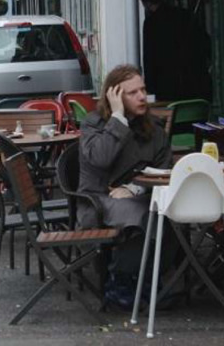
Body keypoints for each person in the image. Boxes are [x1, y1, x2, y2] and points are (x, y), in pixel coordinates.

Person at [78, 64, 171, 308]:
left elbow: (164, 167)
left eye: (143, 89)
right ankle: (121, 282)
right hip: (97, 201)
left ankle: (153, 279)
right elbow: (101, 158)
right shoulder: (93, 124)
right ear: (115, 96)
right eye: (132, 92)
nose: (142, 96)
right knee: (140, 215)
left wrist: (134, 188)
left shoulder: (153, 128)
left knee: (168, 213)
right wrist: (118, 118)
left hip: (138, 196)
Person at [139, 0, 212, 101]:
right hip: (192, 75)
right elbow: (202, 40)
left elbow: (149, 54)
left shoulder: (151, 23)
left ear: (147, 4)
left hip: (165, 80)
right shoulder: (184, 14)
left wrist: (150, 83)